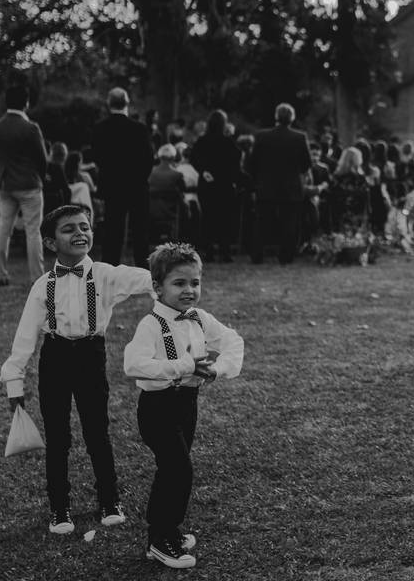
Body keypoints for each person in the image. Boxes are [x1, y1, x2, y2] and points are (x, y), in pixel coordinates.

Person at [0, 204, 155, 535]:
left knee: (97, 431)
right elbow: (25, 338)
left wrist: (169, 276)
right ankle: (59, 507)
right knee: (58, 437)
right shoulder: (42, 286)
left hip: (90, 356)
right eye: (69, 229)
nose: (80, 233)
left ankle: (109, 500)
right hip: (54, 358)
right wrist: (15, 384)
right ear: (51, 243)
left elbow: (150, 278)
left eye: (85, 226)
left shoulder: (106, 275)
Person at [124, 243, 244, 569]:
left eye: (195, 283)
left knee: (173, 469)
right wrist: (182, 366)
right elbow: (133, 364)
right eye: (179, 283)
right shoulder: (151, 325)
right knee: (179, 468)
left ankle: (167, 531)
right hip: (157, 407)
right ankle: (160, 538)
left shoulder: (200, 319)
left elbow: (233, 341)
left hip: (187, 404)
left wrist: (218, 369)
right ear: (157, 288)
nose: (189, 290)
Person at [0, 85, 47, 286]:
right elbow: (42, 159)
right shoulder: (31, 128)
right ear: (26, 102)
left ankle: (0, 274)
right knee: (33, 231)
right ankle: (37, 277)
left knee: (3, 228)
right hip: (28, 184)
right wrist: (42, 178)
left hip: (5, 183)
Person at [92, 87, 154, 268]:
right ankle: (142, 270)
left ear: (108, 104)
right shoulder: (140, 129)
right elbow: (148, 159)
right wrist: (140, 178)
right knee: (140, 232)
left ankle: (109, 271)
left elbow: (97, 156)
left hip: (112, 186)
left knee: (112, 231)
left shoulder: (100, 129)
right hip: (136, 186)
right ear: (127, 103)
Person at [245, 102, 311, 264]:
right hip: (291, 187)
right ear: (292, 118)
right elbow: (306, 164)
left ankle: (257, 255)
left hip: (266, 185)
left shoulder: (261, 136)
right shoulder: (299, 137)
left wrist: (258, 179)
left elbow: (252, 163)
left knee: (262, 222)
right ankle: (286, 256)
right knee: (289, 223)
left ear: (276, 116)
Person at [191, 109, 242, 262]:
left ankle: (209, 250)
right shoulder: (228, 142)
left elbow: (194, 158)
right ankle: (224, 251)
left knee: (208, 217)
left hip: (207, 183)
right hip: (224, 184)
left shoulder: (202, 141)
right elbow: (236, 161)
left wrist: (203, 170)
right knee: (224, 218)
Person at [328, 146, 370, 232]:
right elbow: (365, 194)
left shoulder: (337, 176)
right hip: (356, 211)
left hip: (339, 211)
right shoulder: (360, 177)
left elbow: (332, 194)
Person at [64, 150, 94, 220]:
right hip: (83, 209)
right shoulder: (85, 177)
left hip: (67, 209)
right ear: (79, 163)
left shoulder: (63, 176)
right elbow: (93, 191)